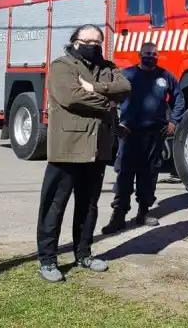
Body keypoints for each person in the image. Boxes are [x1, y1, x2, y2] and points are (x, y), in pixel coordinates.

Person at [36, 24, 131, 283]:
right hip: (67, 147)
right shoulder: (61, 66)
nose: (92, 45)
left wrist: (93, 89)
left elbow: (125, 88)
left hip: (97, 149)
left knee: (88, 206)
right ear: (75, 41)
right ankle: (47, 259)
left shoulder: (107, 67)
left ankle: (83, 254)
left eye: (97, 41)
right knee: (55, 206)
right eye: (86, 40)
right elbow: (71, 97)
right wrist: (108, 101)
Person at [101, 41, 185, 235]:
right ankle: (119, 216)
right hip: (129, 133)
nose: (151, 56)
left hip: (155, 134)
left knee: (149, 174)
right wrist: (116, 124)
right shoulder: (127, 75)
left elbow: (179, 99)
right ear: (140, 54)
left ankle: (144, 212)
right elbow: (110, 100)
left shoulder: (166, 77)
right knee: (125, 174)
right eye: (147, 53)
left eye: (154, 54)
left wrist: (173, 121)